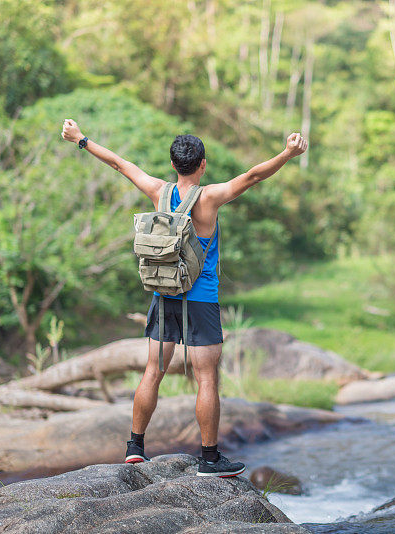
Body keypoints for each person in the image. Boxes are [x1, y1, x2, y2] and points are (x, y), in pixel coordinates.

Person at [61, 119, 307, 477]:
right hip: (201, 299)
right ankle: (209, 459)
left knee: (153, 371)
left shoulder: (157, 190)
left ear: (173, 164)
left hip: (163, 295)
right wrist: (287, 152)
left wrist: (80, 139)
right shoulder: (210, 197)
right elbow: (253, 176)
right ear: (202, 164)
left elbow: (118, 163)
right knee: (206, 379)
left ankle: (135, 447)